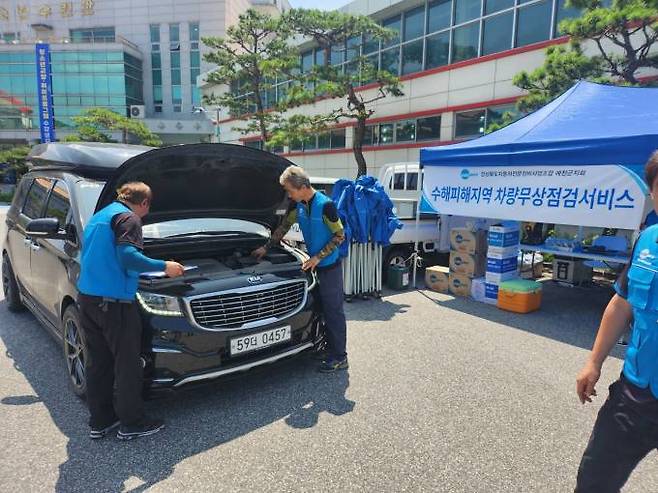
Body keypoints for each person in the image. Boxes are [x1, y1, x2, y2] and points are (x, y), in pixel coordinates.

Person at [574, 151, 658, 492]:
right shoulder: (647, 241)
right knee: (593, 481)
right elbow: (622, 303)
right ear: (652, 192)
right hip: (635, 393)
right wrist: (593, 362)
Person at [77, 182, 184, 441]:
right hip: (114, 303)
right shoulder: (129, 218)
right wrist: (164, 266)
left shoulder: (101, 216)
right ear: (144, 203)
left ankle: (101, 421)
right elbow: (128, 257)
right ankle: (132, 423)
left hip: (88, 298)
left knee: (99, 363)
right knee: (127, 364)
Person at [252, 165, 348, 372]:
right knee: (320, 310)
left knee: (334, 312)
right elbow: (284, 227)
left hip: (329, 267)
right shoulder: (299, 206)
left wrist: (317, 257)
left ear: (302, 187)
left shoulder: (326, 206)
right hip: (313, 266)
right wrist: (265, 247)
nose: (288, 195)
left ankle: (340, 356)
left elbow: (340, 235)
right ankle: (327, 348)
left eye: (289, 190)